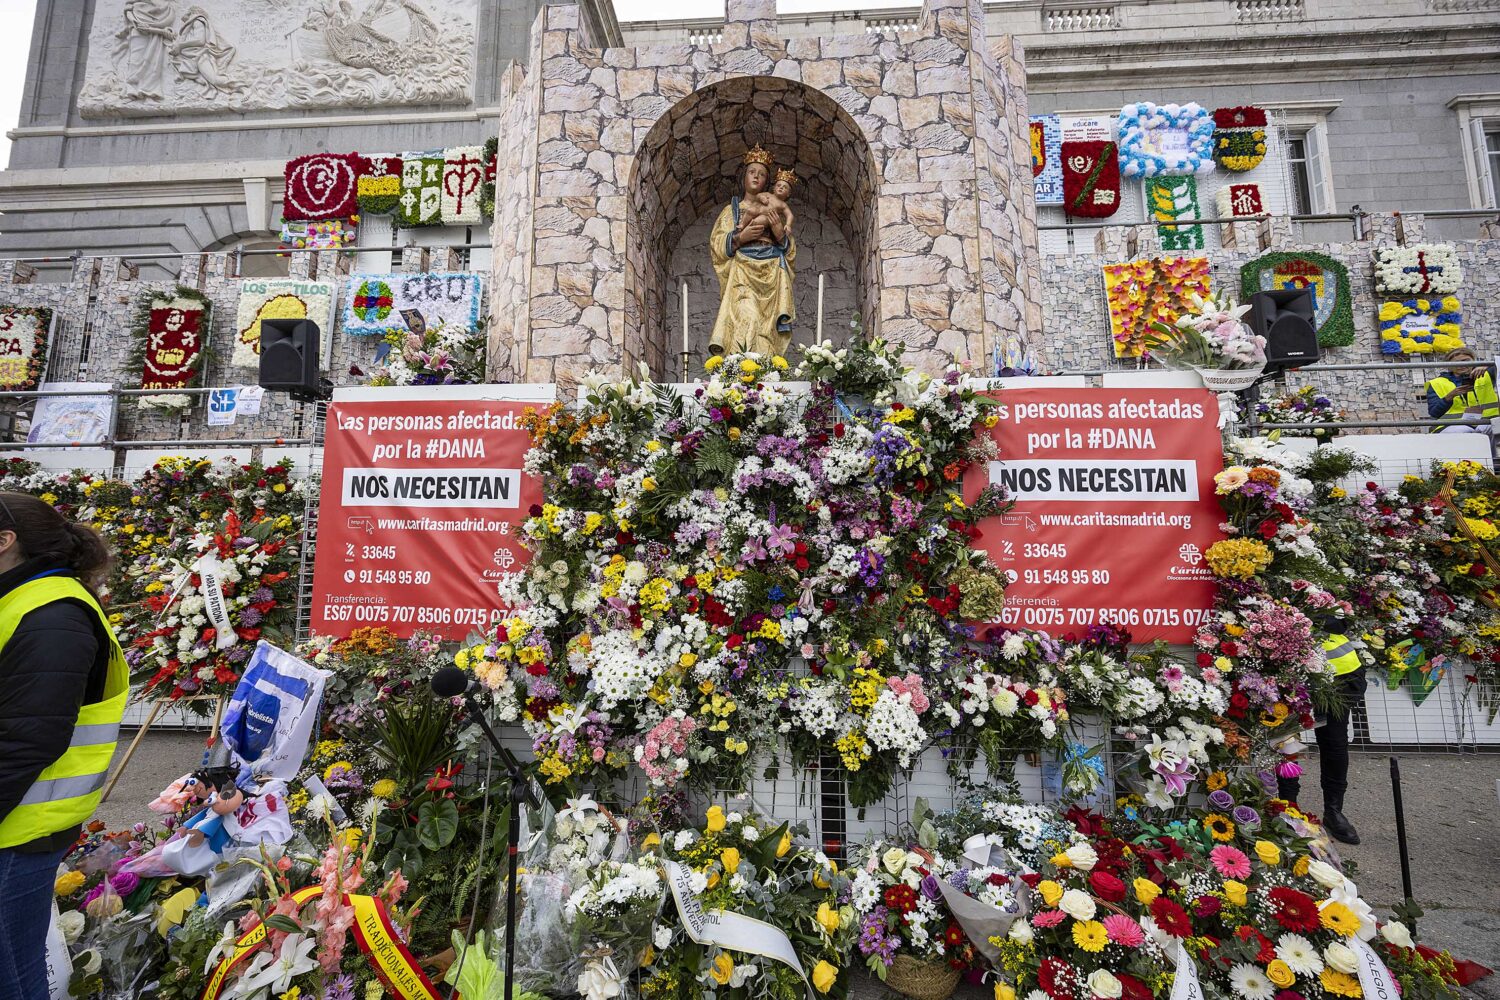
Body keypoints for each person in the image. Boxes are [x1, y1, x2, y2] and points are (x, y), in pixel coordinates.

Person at [0, 494, 125, 998]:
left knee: (12, 975)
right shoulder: (19, 599)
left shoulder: (53, 614)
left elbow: (28, 739)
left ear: (5, 542)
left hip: (17, 829)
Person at [1277, 619, 1366, 845]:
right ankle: (1289, 807)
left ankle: (1334, 811)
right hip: (1285, 667)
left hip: (1339, 673)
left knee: (1335, 744)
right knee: (1285, 738)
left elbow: (1341, 622)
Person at [709, 145, 797, 358]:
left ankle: (764, 380)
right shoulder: (732, 211)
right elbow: (717, 244)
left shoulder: (776, 208)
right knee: (749, 317)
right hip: (742, 274)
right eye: (752, 172)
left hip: (771, 274)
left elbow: (790, 251)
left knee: (765, 330)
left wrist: (779, 232)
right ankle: (739, 374)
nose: (756, 177)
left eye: (762, 174)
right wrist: (740, 238)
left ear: (768, 181)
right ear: (744, 177)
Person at [1425, 348, 1498, 433]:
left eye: (1466, 361)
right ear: (1449, 366)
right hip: (1450, 426)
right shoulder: (1436, 383)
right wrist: (1449, 396)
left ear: (1473, 360)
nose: (1462, 365)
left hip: (1486, 422)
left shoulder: (1487, 373)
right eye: (1456, 363)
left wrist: (1489, 365)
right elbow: (1434, 413)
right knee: (1465, 430)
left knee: (1492, 428)